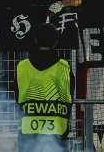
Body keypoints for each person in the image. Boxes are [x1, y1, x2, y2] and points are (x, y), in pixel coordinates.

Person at [15, 24, 71, 152]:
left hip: (28, 132)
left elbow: (17, 96)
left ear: (35, 41)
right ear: (56, 42)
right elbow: (69, 98)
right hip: (57, 131)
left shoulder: (22, 67)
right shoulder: (64, 67)